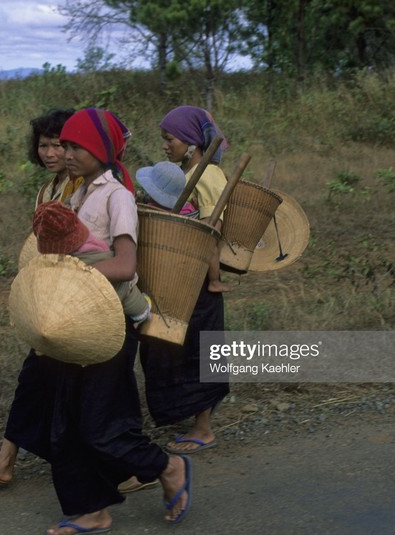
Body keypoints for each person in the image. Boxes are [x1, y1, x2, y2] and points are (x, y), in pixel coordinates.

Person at [30, 107, 191, 534]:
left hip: (111, 323)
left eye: (75, 145)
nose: (66, 153)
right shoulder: (75, 191)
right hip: (78, 317)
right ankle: (92, 510)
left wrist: (73, 275)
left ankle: (168, 467)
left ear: (100, 148)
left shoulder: (116, 195)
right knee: (65, 421)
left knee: (101, 426)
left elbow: (123, 265)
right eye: (63, 145)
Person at [0, 108, 76, 485]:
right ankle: (5, 460)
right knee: (37, 379)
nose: (50, 152)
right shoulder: (49, 190)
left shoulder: (83, 187)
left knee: (69, 389)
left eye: (58, 144)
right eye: (44, 145)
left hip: (73, 301)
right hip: (50, 298)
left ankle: (134, 466)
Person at [138, 105, 231, 457]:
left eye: (170, 138)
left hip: (196, 282)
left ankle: (203, 428)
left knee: (193, 352)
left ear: (192, 142)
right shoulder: (188, 171)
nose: (164, 145)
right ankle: (189, 415)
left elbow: (210, 233)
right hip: (179, 277)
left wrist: (213, 279)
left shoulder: (207, 176)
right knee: (170, 348)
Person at [32, 199, 151, 324]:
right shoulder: (95, 243)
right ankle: (142, 310)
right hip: (111, 305)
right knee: (130, 297)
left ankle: (141, 310)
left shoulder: (119, 198)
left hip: (99, 305)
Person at [136, 160, 230, 292]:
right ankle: (214, 281)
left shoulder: (150, 210)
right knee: (212, 249)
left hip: (158, 257)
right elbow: (193, 212)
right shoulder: (187, 209)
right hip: (182, 253)